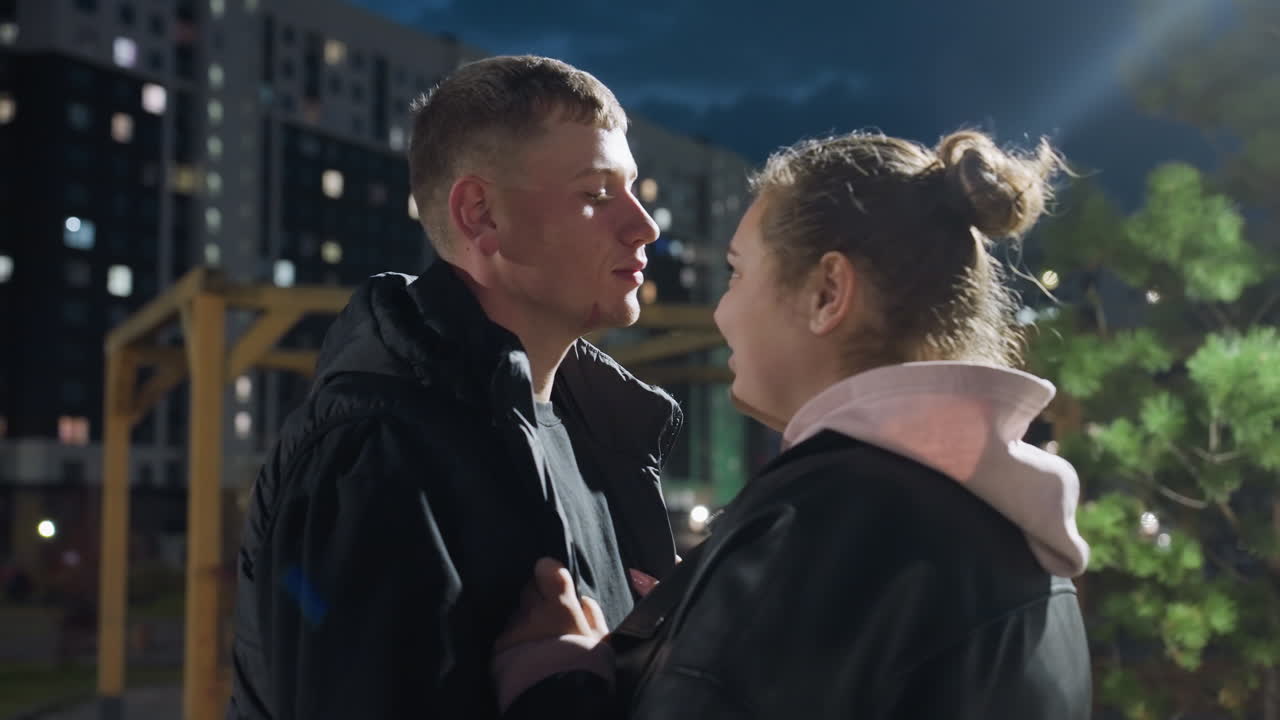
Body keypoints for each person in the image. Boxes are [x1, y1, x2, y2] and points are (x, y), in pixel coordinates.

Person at [492, 129, 1093, 719]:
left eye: (737, 273)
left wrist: (556, 679)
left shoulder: (817, 537)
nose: (722, 313)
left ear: (828, 292)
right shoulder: (1018, 532)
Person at [227, 55, 683, 720]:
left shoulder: (596, 430)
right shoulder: (372, 452)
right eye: (598, 194)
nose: (645, 226)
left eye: (636, 190)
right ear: (480, 214)